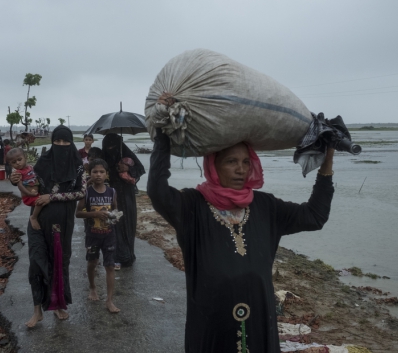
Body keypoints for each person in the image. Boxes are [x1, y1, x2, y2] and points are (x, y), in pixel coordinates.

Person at [147, 125, 335, 352]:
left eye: (246, 162)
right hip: (212, 324)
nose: (241, 169)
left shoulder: (265, 206)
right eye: (231, 162)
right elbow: (158, 191)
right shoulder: (191, 206)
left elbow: (315, 217)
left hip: (259, 321)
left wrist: (327, 162)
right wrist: (163, 135)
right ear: (213, 165)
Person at [10, 125, 86, 328]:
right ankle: (37, 311)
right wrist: (14, 179)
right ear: (52, 142)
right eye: (57, 141)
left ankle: (59, 304)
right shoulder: (42, 162)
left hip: (62, 222)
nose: (61, 145)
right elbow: (28, 181)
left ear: (71, 143)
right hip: (37, 220)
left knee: (59, 262)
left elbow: (81, 193)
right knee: (36, 261)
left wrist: (52, 197)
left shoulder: (78, 165)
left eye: (65, 141)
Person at [76, 159, 120, 313]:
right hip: (92, 235)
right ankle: (92, 287)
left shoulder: (112, 192)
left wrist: (114, 217)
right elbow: (78, 213)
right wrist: (95, 213)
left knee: (109, 266)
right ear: (90, 174)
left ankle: (109, 300)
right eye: (95, 172)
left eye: (102, 172)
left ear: (107, 175)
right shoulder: (86, 193)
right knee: (92, 263)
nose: (98, 175)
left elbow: (115, 210)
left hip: (109, 235)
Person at [102, 134, 145, 269]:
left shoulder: (126, 154)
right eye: (108, 147)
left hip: (127, 195)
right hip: (110, 195)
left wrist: (129, 169)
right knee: (114, 224)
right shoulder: (103, 157)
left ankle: (128, 255)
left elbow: (140, 169)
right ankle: (116, 257)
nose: (111, 149)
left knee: (127, 224)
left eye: (114, 146)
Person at [7, 147, 43, 230]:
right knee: (40, 202)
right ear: (11, 165)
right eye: (14, 162)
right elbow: (20, 186)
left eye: (19, 159)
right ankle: (33, 217)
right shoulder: (18, 173)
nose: (18, 163)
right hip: (28, 196)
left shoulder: (30, 167)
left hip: (34, 193)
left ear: (25, 157)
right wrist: (29, 193)